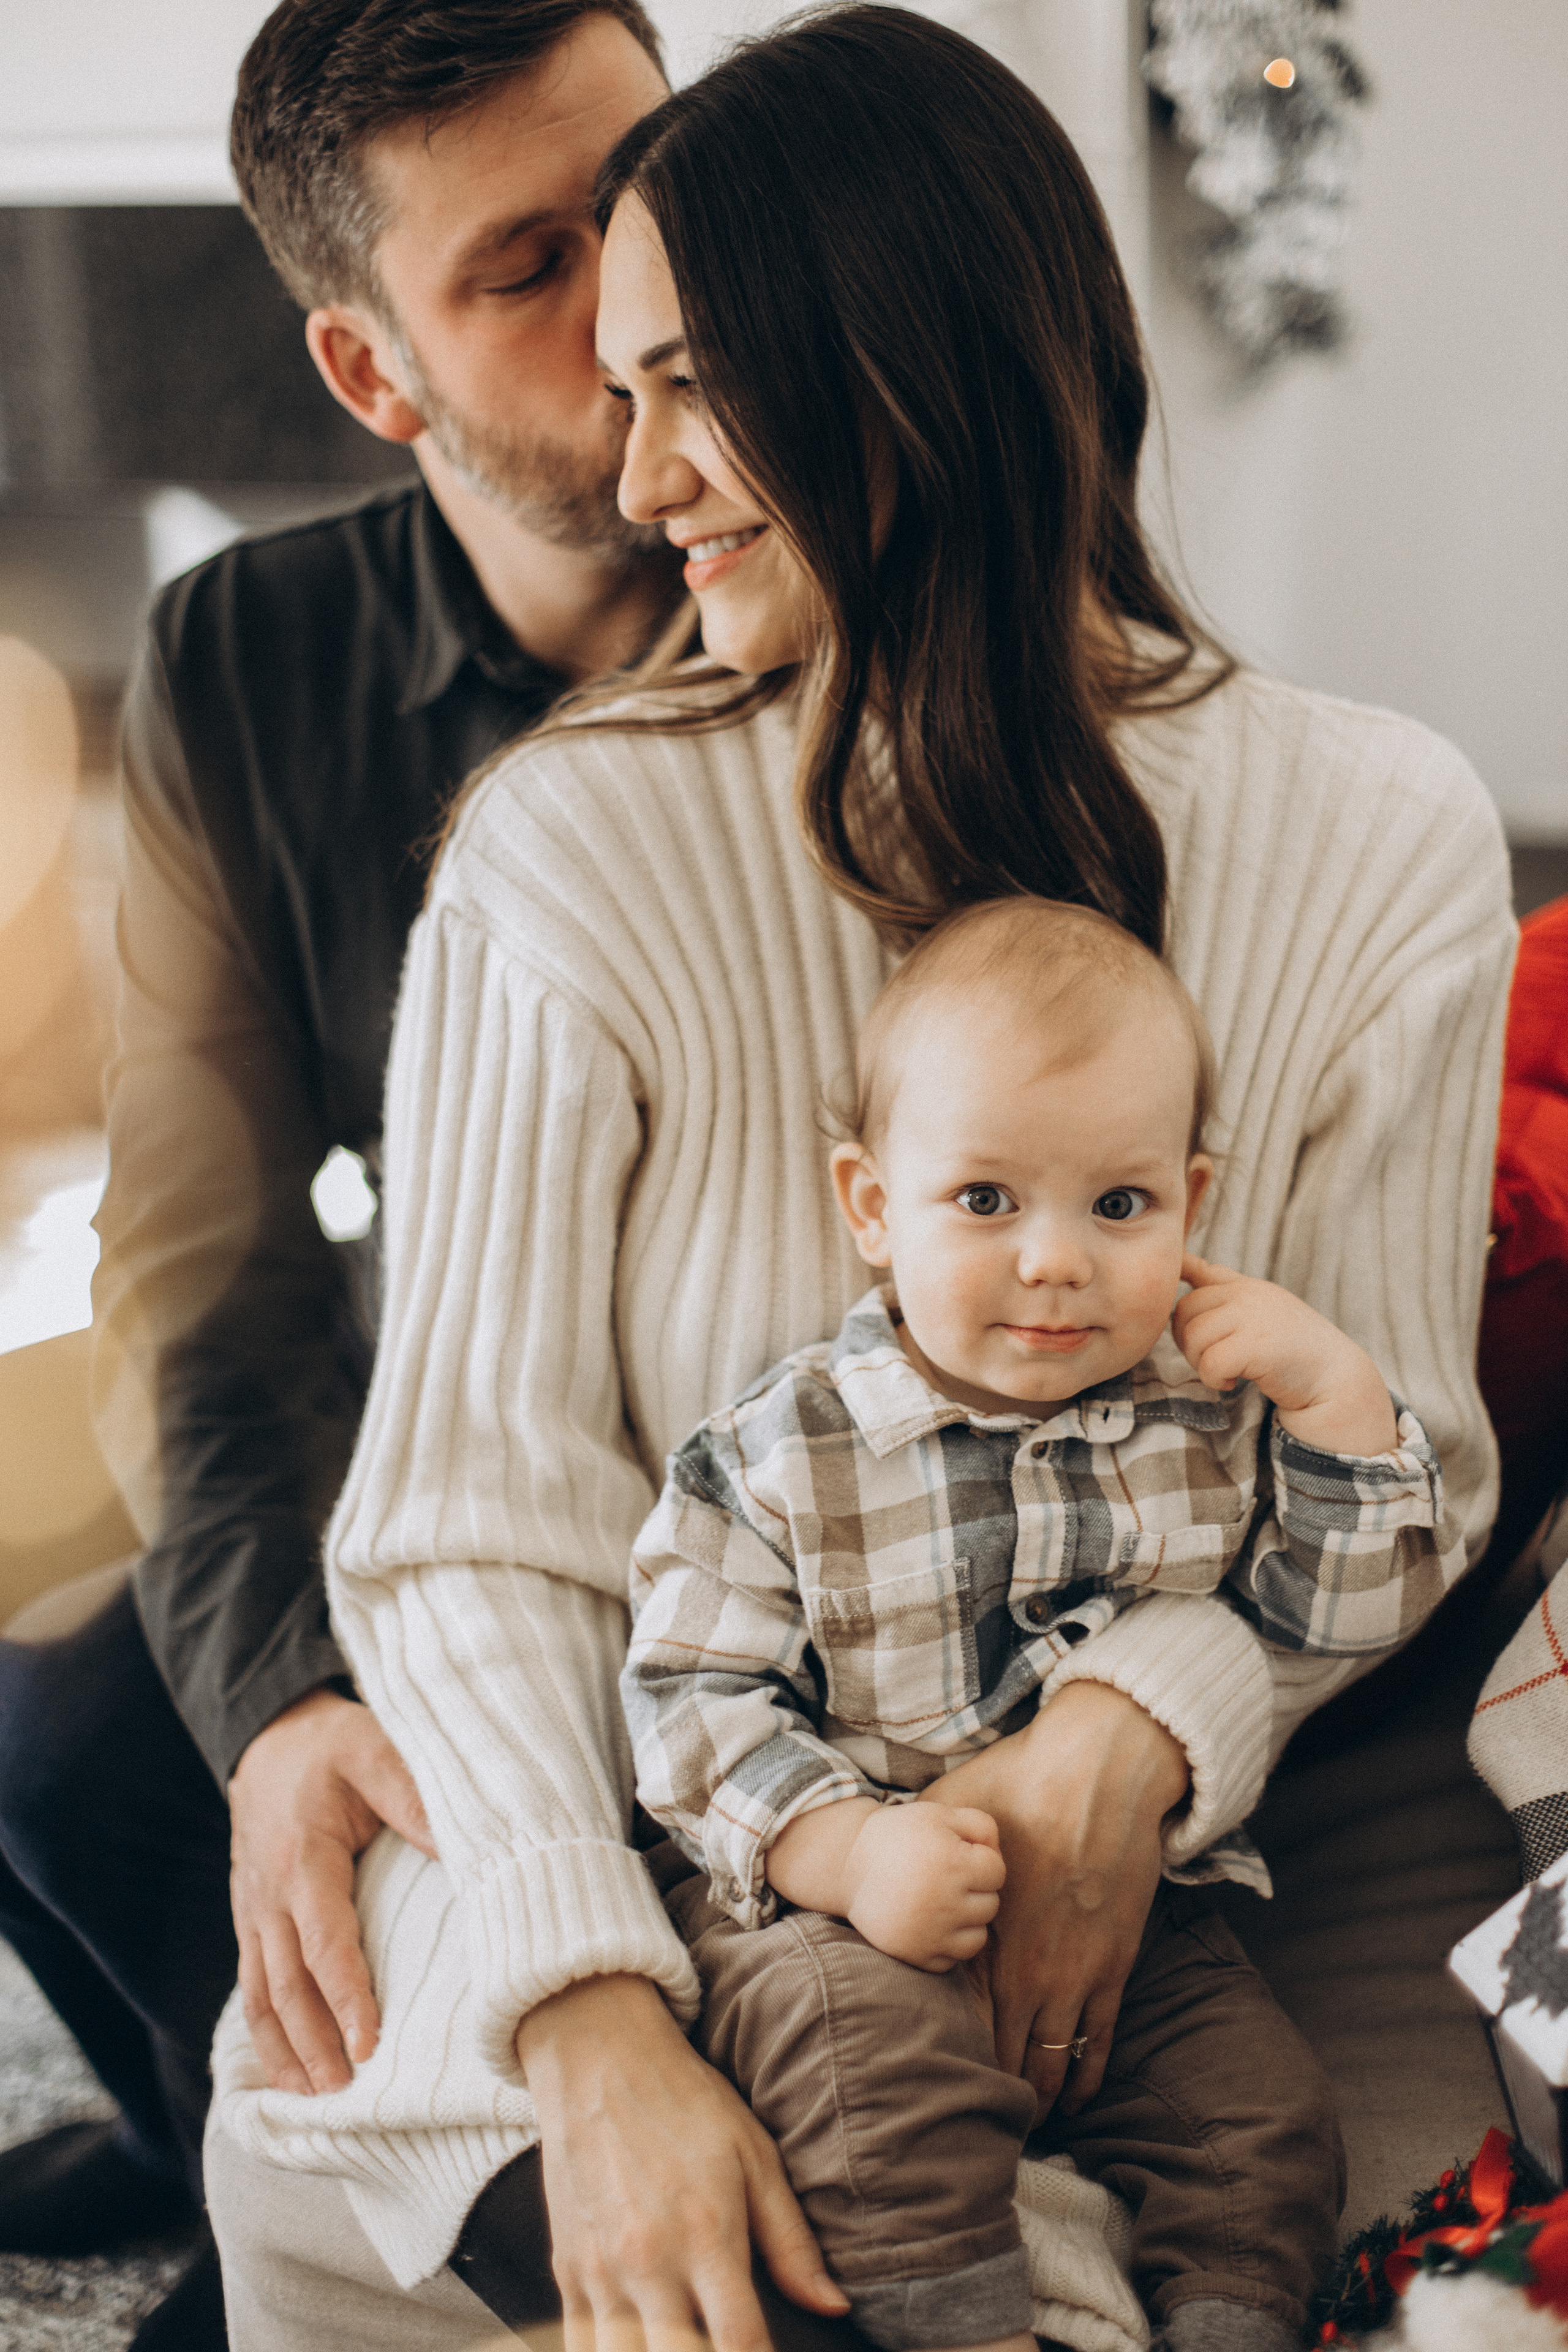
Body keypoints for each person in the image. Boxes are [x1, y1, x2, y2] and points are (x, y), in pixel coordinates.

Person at [201, 9, 1516, 2350]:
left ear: (918, 365)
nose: (645, 472)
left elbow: (1399, 1430)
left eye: (699, 385)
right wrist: (592, 2021)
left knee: (1272, 2213)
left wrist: (1129, 1736)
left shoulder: (1376, 832)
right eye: (621, 384)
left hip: (1217, 1843)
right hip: (667, 1804)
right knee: (483, 2165)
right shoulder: (565, 848)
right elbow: (473, 1528)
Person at [0, 4, 679, 2346]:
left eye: (651, 188)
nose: (647, 294)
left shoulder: (851, 605)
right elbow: (202, 1248)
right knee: (68, 1729)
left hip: (727, 1471)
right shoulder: (238, 653)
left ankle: (329, 2185)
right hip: (417, 1413)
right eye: (531, 265)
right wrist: (284, 1693)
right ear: (375, 379)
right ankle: (225, 2104)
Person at [624, 894, 1466, 2352]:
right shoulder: (781, 1449)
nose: (1055, 1260)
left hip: (1138, 1911)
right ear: (873, 1207)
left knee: (1261, 2116)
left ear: (1189, 1203)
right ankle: (967, 2324)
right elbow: (688, 1702)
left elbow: (1332, 1622)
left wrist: (1336, 1403)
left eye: (1117, 1206)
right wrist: (846, 1848)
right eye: (986, 1201)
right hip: (837, 1908)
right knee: (863, 2072)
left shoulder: (1205, 1415)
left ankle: (1225, 2320)